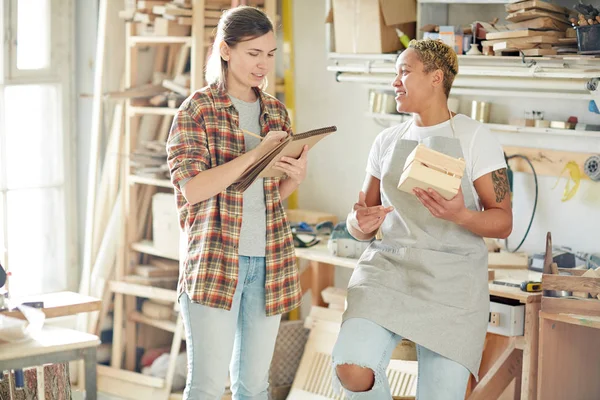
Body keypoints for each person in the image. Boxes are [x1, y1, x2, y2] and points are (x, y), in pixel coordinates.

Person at [331, 39, 513, 400]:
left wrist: (461, 215)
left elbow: (503, 221)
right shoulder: (386, 140)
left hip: (453, 281)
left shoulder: (476, 137)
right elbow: (359, 218)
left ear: (436, 77)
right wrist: (359, 225)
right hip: (388, 269)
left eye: (404, 72)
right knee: (352, 369)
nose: (395, 82)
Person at [166, 6, 308, 400]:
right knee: (208, 386)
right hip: (214, 261)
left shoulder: (276, 113)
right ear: (226, 51)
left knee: (254, 387)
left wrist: (291, 181)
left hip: (269, 262)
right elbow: (192, 190)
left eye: (269, 54)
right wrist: (255, 154)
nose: (263, 64)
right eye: (253, 53)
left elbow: (265, 198)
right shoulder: (196, 111)